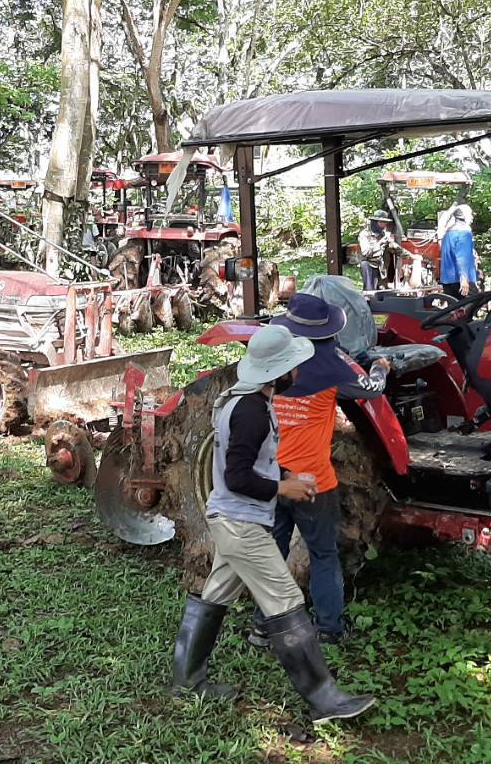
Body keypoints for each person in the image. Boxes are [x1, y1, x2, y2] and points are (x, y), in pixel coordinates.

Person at [170, 324, 375, 723]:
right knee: (286, 600)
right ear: (278, 373)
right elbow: (236, 477)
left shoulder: (252, 402)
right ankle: (325, 699)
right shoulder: (251, 414)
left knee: (214, 596)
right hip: (240, 525)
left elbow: (253, 465)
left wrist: (289, 477)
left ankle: (186, 682)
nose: (299, 372)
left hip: (230, 520)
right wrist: (286, 489)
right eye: (294, 366)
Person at [254, 294, 390, 645]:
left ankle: (262, 627)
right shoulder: (330, 368)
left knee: (272, 553)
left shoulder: (272, 365)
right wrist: (381, 367)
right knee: (324, 555)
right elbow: (372, 391)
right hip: (312, 482)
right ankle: (330, 628)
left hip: (273, 477)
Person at [438, 204, 479, 299]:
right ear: (464, 216)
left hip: (447, 280)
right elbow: (462, 257)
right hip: (460, 280)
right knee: (472, 306)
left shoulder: (447, 234)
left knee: (454, 311)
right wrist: (464, 278)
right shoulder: (464, 233)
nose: (472, 217)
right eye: (471, 214)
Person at [357, 212, 397, 292]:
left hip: (380, 265)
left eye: (385, 223)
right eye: (381, 223)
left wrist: (410, 255)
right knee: (369, 289)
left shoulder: (383, 234)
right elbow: (366, 252)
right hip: (368, 264)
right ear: (375, 222)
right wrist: (380, 243)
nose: (384, 225)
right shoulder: (364, 234)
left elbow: (395, 249)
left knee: (381, 290)